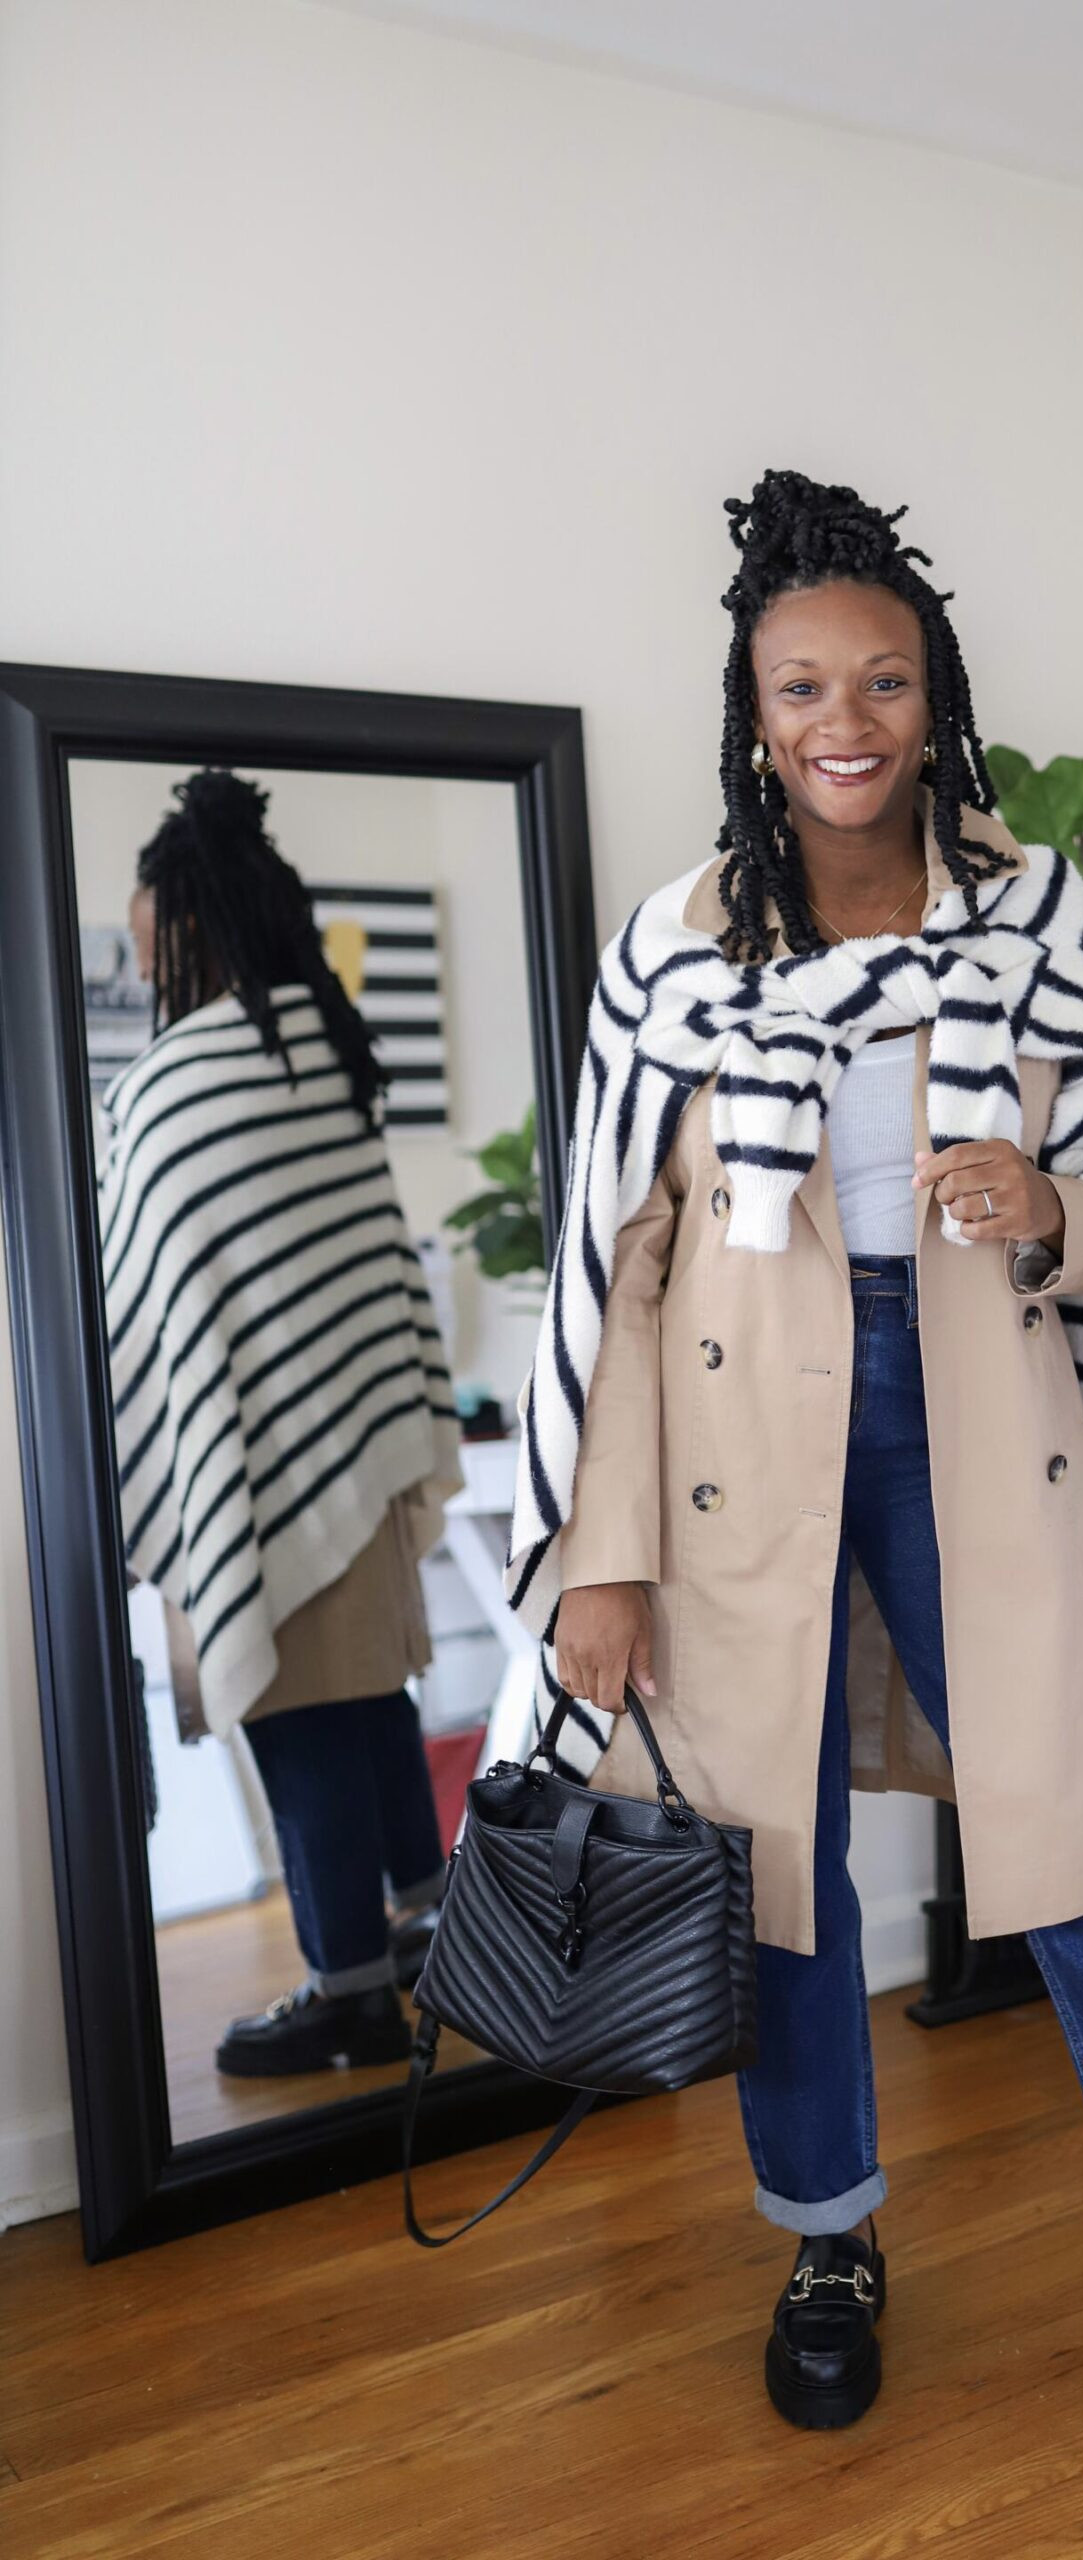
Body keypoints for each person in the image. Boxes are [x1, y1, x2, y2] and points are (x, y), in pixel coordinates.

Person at [507, 472, 1083, 2454]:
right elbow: (614, 1269)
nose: (843, 715)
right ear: (751, 708)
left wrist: (1042, 1201)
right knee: (781, 1865)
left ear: (932, 693)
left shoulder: (1037, 916)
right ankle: (826, 2232)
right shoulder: (679, 946)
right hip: (738, 1431)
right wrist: (601, 1554)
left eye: (881, 676)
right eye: (801, 680)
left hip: (975, 1412)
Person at [101, 769, 464, 2076]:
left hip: (252, 1459)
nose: (139, 953)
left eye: (147, 933)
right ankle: (432, 1934)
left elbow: (138, 1293)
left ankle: (348, 1991)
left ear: (192, 925)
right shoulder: (320, 1038)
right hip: (353, 1450)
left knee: (299, 1716)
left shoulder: (169, 1086)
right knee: (371, 1701)